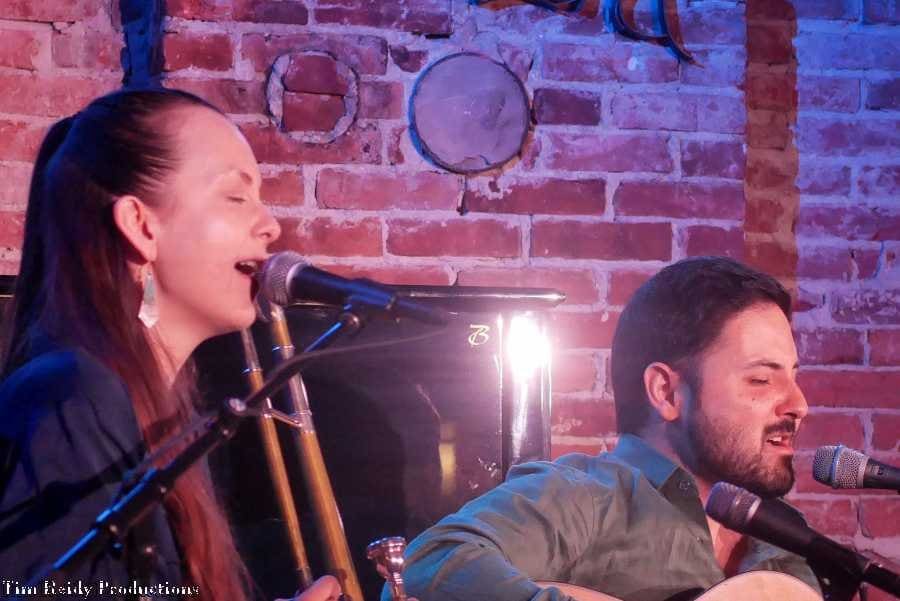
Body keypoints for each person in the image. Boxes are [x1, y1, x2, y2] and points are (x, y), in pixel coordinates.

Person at [0, 88, 338, 601]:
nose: (270, 226)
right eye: (236, 196)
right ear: (141, 226)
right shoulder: (71, 397)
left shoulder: (148, 408)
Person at [391, 257, 854, 601]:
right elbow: (427, 567)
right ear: (666, 392)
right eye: (761, 379)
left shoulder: (789, 545)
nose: (798, 405)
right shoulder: (587, 497)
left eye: (794, 376)